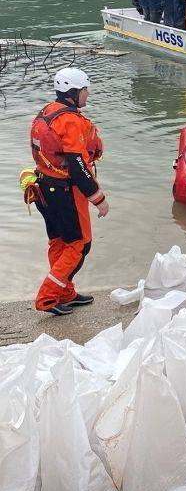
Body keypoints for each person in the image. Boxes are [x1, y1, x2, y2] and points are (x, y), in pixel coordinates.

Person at [29, 68, 107, 316]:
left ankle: (66, 293)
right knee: (79, 245)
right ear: (75, 92)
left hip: (44, 187)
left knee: (59, 242)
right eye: (85, 90)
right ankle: (48, 297)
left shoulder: (47, 112)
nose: (88, 94)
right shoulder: (71, 121)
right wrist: (98, 199)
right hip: (64, 190)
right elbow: (78, 165)